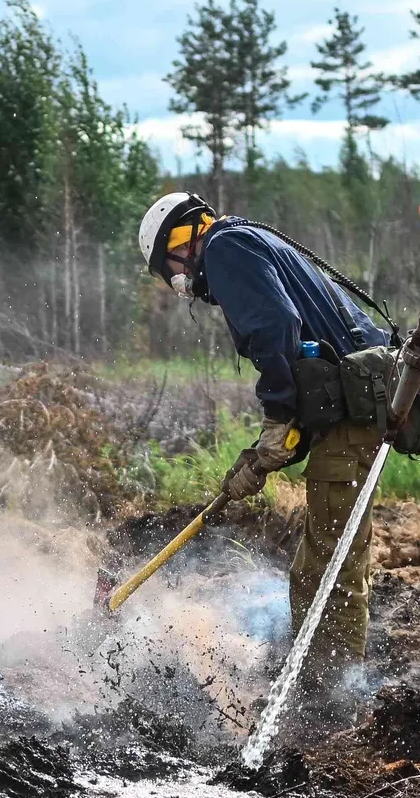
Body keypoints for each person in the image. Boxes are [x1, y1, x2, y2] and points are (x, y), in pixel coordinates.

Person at [138, 193, 392, 689]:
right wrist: (269, 451)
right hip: (350, 406)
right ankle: (326, 675)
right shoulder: (249, 239)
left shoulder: (225, 246)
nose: (176, 284)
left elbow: (275, 328)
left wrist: (277, 415)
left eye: (168, 271)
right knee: (328, 557)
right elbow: (304, 352)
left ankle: (328, 694)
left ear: (181, 241)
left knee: (328, 565)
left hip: (354, 411)